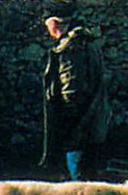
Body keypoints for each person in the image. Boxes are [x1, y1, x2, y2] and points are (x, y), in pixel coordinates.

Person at [41, 14, 111, 181]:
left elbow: (71, 86)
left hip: (79, 115)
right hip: (95, 111)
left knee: (77, 159)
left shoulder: (70, 48)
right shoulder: (89, 43)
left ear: (55, 25)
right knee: (91, 160)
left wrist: (68, 117)